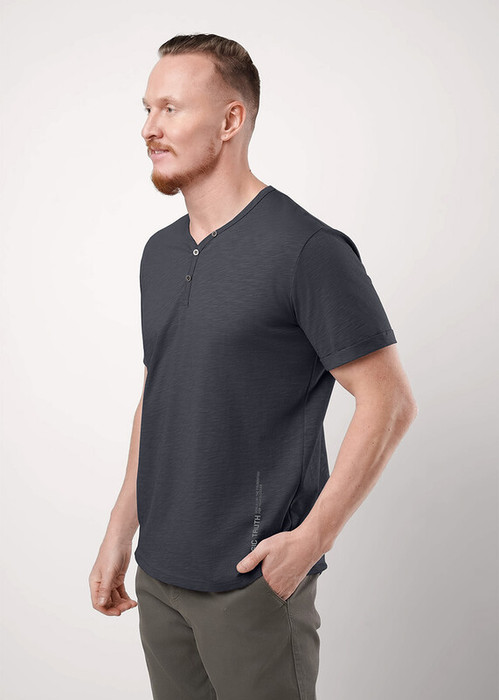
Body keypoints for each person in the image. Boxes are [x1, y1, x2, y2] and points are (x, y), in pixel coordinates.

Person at [89, 33, 418, 700]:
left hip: (250, 582)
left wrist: (311, 539)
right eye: (147, 109)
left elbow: (388, 401)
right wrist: (120, 530)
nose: (149, 128)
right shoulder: (159, 253)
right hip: (160, 576)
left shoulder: (306, 249)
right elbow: (161, 391)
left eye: (171, 109)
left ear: (230, 120)